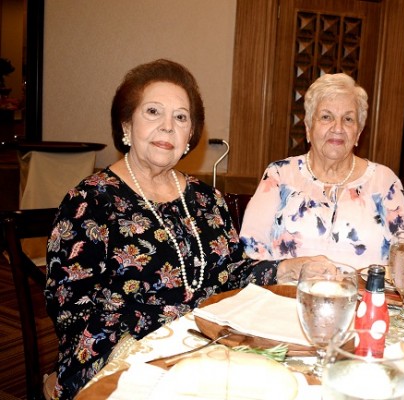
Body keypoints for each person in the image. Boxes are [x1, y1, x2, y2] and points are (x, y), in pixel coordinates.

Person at [44, 59, 319, 399]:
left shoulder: (206, 199)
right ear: (126, 123)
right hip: (119, 358)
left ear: (190, 135)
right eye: (153, 112)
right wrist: (175, 330)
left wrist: (286, 268)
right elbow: (71, 312)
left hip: (207, 347)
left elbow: (231, 276)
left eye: (181, 117)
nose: (168, 127)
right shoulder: (89, 202)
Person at [240, 73, 404, 270]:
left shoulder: (384, 182)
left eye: (348, 119)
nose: (338, 128)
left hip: (363, 299)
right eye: (326, 117)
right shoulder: (279, 176)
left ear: (358, 133)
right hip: (289, 297)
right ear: (308, 127)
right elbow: (250, 255)